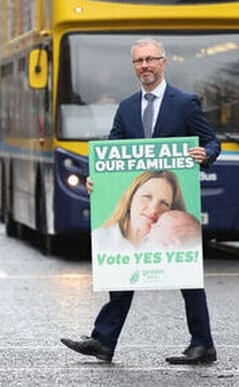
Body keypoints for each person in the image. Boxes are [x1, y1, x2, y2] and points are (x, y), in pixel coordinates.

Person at [61, 37, 220, 365]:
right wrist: (97, 178)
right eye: (138, 61)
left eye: (150, 59)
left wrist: (206, 155)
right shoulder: (127, 107)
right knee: (124, 269)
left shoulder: (185, 103)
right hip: (138, 203)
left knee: (185, 274)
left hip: (172, 204)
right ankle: (103, 341)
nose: (144, 66)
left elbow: (210, 141)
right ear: (134, 66)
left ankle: (203, 344)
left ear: (164, 62)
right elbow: (112, 151)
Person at [91, 171, 185, 252]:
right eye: (147, 197)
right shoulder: (99, 240)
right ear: (130, 199)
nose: (153, 210)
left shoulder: (175, 245)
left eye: (164, 203)